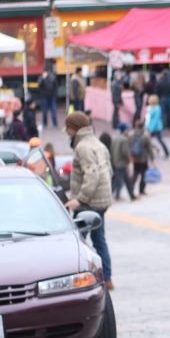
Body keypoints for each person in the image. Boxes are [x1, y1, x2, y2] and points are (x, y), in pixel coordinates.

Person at [63, 112, 114, 290]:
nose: (66, 132)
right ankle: (107, 278)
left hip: (88, 203)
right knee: (100, 240)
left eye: (67, 128)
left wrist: (80, 199)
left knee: (77, 242)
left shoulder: (82, 147)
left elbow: (92, 174)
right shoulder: (97, 144)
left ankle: (77, 279)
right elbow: (108, 171)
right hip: (102, 200)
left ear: (73, 128)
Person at [129, 120, 154, 197]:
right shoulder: (145, 136)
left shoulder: (132, 134)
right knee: (143, 175)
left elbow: (129, 145)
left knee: (135, 174)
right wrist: (152, 157)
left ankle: (131, 188)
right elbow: (149, 148)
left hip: (135, 158)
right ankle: (141, 190)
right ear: (143, 127)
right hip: (143, 159)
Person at [110, 122, 134, 201]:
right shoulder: (124, 139)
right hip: (122, 163)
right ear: (125, 130)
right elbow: (125, 152)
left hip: (115, 162)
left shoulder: (115, 138)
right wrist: (129, 160)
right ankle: (130, 195)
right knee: (121, 180)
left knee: (121, 180)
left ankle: (129, 195)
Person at [145, 94, 169, 158]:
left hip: (155, 128)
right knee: (148, 140)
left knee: (159, 140)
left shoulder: (157, 109)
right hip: (151, 127)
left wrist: (151, 129)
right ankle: (155, 150)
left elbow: (155, 120)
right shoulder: (152, 108)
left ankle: (166, 152)